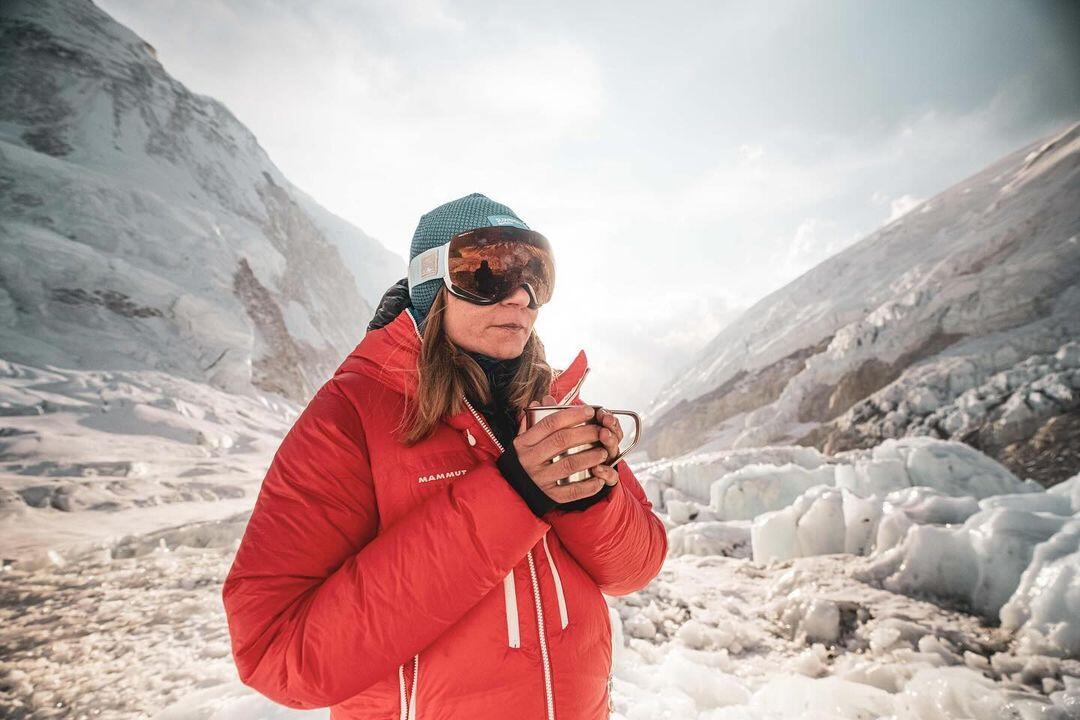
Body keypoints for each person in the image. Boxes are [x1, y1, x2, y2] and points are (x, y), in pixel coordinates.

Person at [222, 192, 668, 720]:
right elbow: (276, 653)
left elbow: (634, 570)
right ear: (433, 284)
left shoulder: (552, 407)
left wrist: (588, 496)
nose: (521, 296)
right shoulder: (351, 416)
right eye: (489, 270)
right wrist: (513, 496)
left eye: (536, 273)